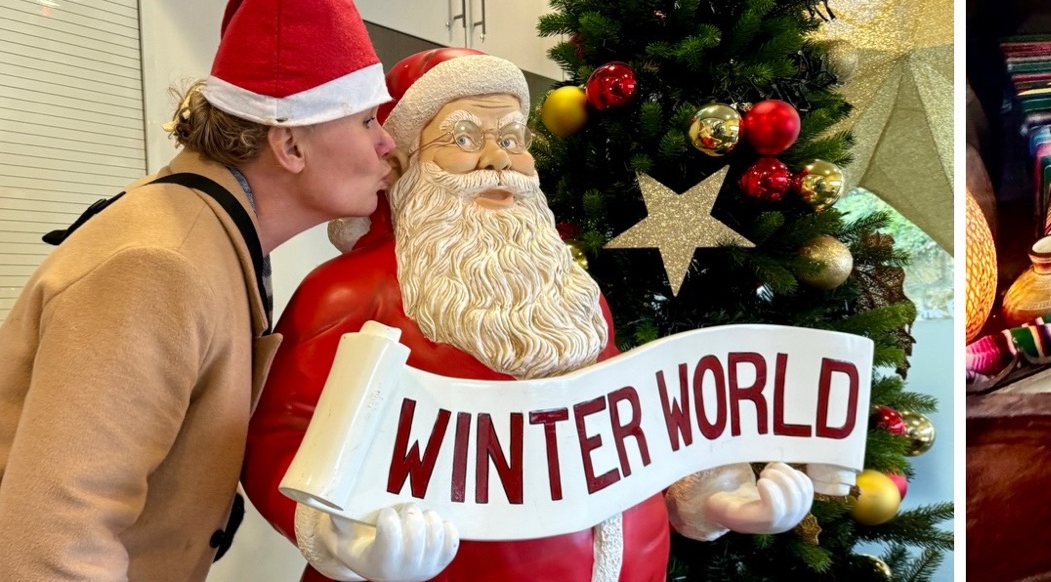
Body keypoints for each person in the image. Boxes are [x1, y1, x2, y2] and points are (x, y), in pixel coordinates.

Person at [243, 48, 834, 582]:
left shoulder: (567, 287)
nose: (497, 160)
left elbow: (633, 426)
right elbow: (277, 441)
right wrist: (352, 540)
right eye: (465, 138)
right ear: (403, 167)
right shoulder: (346, 296)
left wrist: (712, 495)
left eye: (510, 138)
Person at [0, 0, 398, 582]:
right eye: (365, 119)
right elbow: (55, 547)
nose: (386, 142)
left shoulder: (208, 240)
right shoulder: (160, 266)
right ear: (291, 143)